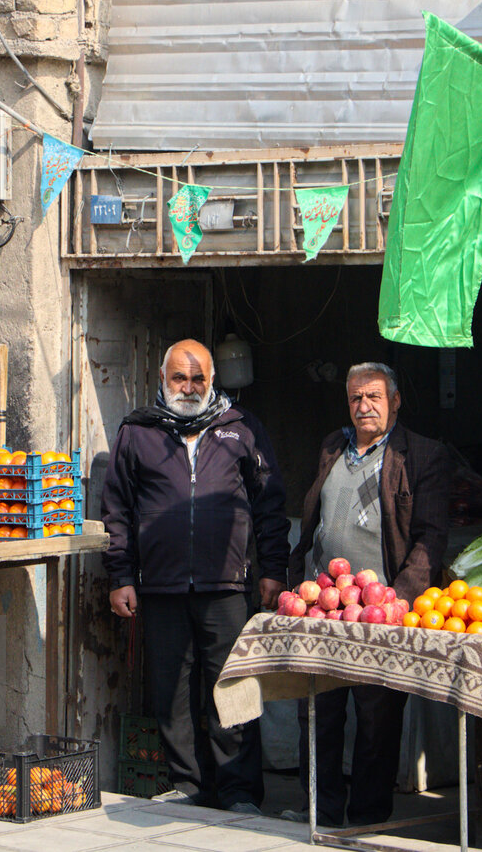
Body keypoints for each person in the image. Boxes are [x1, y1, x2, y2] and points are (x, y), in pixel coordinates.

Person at [102, 338, 290, 815]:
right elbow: (117, 511)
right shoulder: (138, 431)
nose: (188, 387)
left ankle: (239, 791)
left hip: (226, 586)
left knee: (234, 688)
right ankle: (187, 786)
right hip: (160, 587)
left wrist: (273, 569)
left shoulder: (241, 429)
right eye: (179, 378)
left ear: (212, 380)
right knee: (172, 691)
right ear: (162, 380)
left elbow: (269, 504)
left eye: (198, 378)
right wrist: (121, 575)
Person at [285, 361, 451, 827]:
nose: (364, 406)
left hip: (381, 613)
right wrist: (296, 575)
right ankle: (319, 809)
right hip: (324, 607)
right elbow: (313, 520)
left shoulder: (421, 455)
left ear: (395, 401)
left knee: (376, 721)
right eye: (356, 398)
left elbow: (430, 539)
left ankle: (368, 819)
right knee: (318, 713)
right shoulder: (332, 447)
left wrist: (397, 599)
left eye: (374, 397)